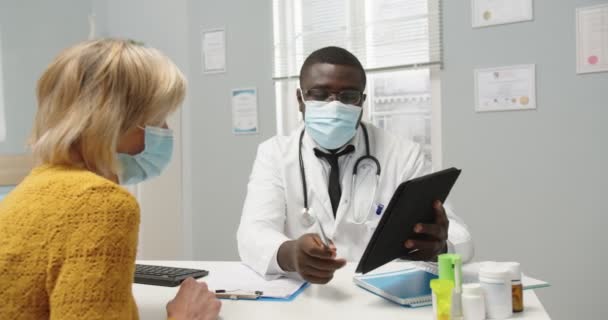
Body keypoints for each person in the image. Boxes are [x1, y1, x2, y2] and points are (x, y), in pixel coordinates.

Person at [0, 39, 220, 320]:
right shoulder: (100, 203)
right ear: (119, 123)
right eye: (160, 119)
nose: (165, 131)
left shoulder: (31, 189)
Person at [237, 46, 473, 284]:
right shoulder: (274, 154)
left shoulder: (403, 155)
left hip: (379, 293)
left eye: (348, 96)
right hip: (305, 294)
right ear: (301, 99)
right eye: (320, 94)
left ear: (362, 101)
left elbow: (460, 237)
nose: (335, 106)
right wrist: (291, 254)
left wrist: (441, 247)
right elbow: (252, 233)